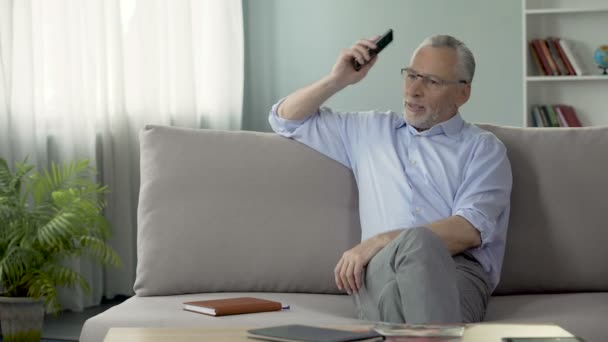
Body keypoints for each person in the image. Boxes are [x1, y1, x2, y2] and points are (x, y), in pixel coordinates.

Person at [268, 34, 512, 324]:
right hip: (380, 270)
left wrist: (378, 241)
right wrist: (338, 79)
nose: (414, 90)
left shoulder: (483, 149)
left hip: (456, 271)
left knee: (414, 262)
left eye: (431, 81)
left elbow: (468, 230)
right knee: (416, 274)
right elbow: (285, 119)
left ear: (463, 94)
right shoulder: (369, 130)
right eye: (411, 75)